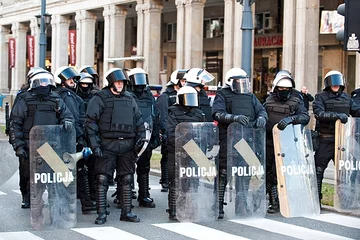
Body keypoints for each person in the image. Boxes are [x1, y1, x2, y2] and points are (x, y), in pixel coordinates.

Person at [85, 68, 145, 224]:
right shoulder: (100, 98)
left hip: (127, 145)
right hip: (107, 144)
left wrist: (141, 138)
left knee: (126, 178)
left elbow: (138, 120)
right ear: (111, 82)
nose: (120, 85)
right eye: (118, 82)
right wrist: (95, 145)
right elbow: (91, 123)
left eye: (122, 82)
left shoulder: (129, 99)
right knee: (102, 178)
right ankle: (101, 213)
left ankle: (127, 212)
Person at [8, 70, 74, 209]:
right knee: (28, 175)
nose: (44, 85)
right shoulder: (25, 99)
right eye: (41, 82)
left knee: (54, 175)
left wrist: (67, 121)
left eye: (46, 81)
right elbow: (15, 123)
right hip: (29, 144)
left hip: (51, 144)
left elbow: (67, 114)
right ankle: (27, 197)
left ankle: (55, 201)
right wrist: (18, 146)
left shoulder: (55, 99)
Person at [212, 68, 268, 219]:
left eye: (245, 81)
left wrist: (262, 118)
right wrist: (233, 118)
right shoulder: (222, 95)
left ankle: (242, 205)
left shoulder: (250, 96)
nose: (243, 84)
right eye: (239, 81)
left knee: (244, 173)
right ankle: (218, 206)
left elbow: (261, 110)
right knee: (224, 172)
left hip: (247, 139)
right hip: (228, 139)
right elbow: (217, 113)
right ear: (230, 82)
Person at [264, 73, 310, 213]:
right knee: (267, 173)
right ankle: (271, 200)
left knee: (279, 173)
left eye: (287, 89)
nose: (284, 91)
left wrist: (291, 119)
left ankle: (280, 201)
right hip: (268, 141)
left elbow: (305, 116)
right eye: (281, 88)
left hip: (287, 142)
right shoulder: (269, 100)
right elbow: (261, 113)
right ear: (276, 88)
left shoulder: (296, 101)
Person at [313, 70, 360, 206]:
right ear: (328, 84)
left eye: (338, 83)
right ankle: (316, 199)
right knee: (318, 169)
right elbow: (319, 113)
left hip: (342, 141)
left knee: (344, 171)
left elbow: (355, 111)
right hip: (326, 139)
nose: (336, 85)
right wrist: (336, 116)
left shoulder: (346, 98)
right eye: (333, 83)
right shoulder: (320, 97)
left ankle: (345, 200)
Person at [54, 66, 94, 214]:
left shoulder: (68, 95)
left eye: (73, 79)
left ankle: (79, 204)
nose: (72, 81)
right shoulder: (66, 96)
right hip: (69, 138)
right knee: (75, 171)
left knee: (74, 171)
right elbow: (74, 119)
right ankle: (84, 204)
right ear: (61, 81)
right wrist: (79, 138)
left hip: (71, 137)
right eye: (69, 79)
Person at [166, 85, 206, 220]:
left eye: (192, 97)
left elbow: (204, 132)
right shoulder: (173, 112)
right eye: (187, 98)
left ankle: (190, 208)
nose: (190, 101)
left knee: (192, 181)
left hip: (194, 152)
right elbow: (171, 134)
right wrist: (187, 139)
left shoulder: (199, 113)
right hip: (177, 152)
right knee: (176, 181)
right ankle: (174, 209)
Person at [127, 67, 160, 208]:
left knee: (144, 167)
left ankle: (144, 195)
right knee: (126, 167)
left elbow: (155, 115)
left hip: (146, 135)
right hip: (130, 135)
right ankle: (126, 195)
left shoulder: (149, 96)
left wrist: (155, 136)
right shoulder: (126, 94)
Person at [156, 69, 188, 192]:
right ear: (176, 81)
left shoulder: (185, 94)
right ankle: (165, 181)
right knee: (167, 157)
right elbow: (163, 117)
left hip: (183, 132)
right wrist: (166, 132)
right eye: (183, 80)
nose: (185, 83)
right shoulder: (165, 96)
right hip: (170, 132)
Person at [75, 72, 100, 201]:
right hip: (79, 132)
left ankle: (93, 192)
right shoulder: (74, 96)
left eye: (87, 84)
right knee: (79, 165)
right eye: (83, 84)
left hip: (92, 132)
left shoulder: (96, 96)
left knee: (94, 165)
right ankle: (81, 192)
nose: (85, 86)